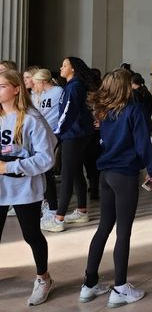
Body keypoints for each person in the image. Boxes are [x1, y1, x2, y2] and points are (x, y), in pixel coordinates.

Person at [79, 70, 152, 307]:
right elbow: (143, 144)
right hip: (124, 175)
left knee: (104, 227)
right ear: (126, 87)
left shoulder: (103, 112)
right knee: (123, 232)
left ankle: (89, 284)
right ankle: (121, 287)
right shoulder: (133, 111)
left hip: (105, 174)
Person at [0, 70, 56, 305]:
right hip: (1, 186)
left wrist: (10, 167)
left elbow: (46, 158)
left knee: (31, 234)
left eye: (2, 86)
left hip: (25, 186)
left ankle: (43, 277)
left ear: (16, 89)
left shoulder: (31, 118)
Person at [41, 57, 98, 233]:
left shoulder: (74, 86)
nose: (61, 68)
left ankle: (58, 218)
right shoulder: (73, 86)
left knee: (67, 174)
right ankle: (81, 210)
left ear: (73, 69)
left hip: (74, 135)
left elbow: (68, 113)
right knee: (75, 173)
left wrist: (57, 132)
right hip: (75, 134)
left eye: (65, 65)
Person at [31, 69, 63, 219]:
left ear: (43, 82)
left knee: (47, 170)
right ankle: (46, 203)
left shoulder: (58, 91)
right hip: (41, 134)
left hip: (53, 134)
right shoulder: (40, 95)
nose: (33, 85)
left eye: (36, 82)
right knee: (42, 170)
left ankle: (52, 207)